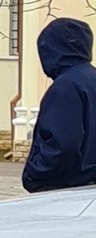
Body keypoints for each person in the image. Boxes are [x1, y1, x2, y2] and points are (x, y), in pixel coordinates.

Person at [22, 17, 96, 193]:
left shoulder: (66, 87)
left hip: (65, 189)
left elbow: (64, 145)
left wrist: (35, 174)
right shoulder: (89, 80)